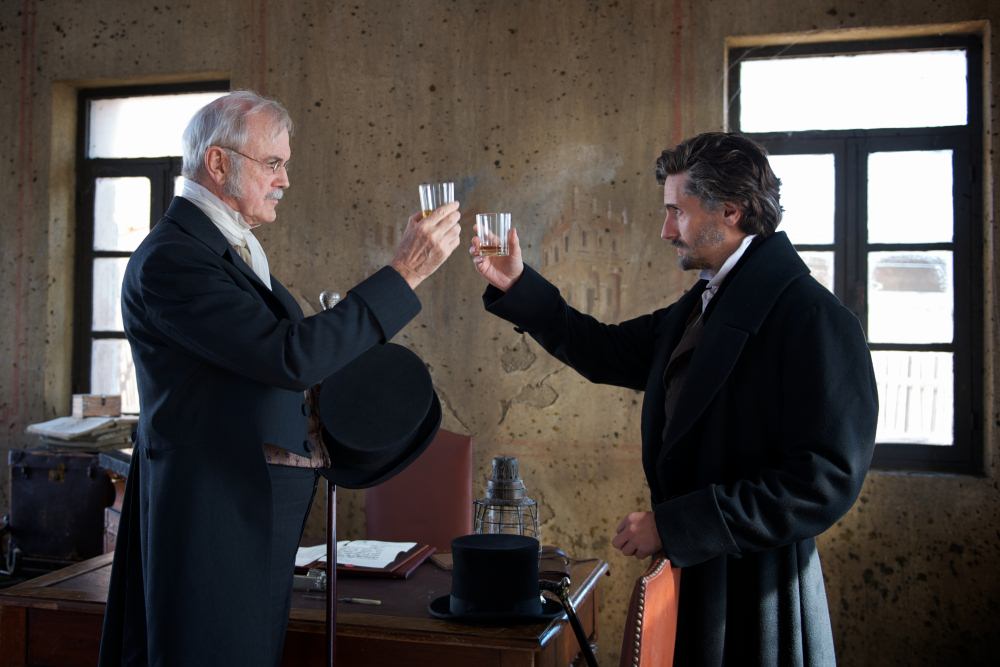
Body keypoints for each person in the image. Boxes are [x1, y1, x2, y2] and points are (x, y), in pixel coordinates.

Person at [472, 132, 878, 665]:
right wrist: (518, 284)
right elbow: (608, 352)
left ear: (730, 210)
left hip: (760, 593)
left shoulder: (814, 317)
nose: (666, 231)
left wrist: (673, 525)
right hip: (699, 572)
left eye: (676, 212)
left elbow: (824, 481)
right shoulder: (709, 299)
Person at [99, 90, 461, 667]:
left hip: (248, 509)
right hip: (213, 514)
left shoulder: (224, 247)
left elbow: (271, 364)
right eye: (273, 163)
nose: (285, 180)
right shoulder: (174, 258)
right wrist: (403, 274)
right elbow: (286, 357)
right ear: (219, 163)